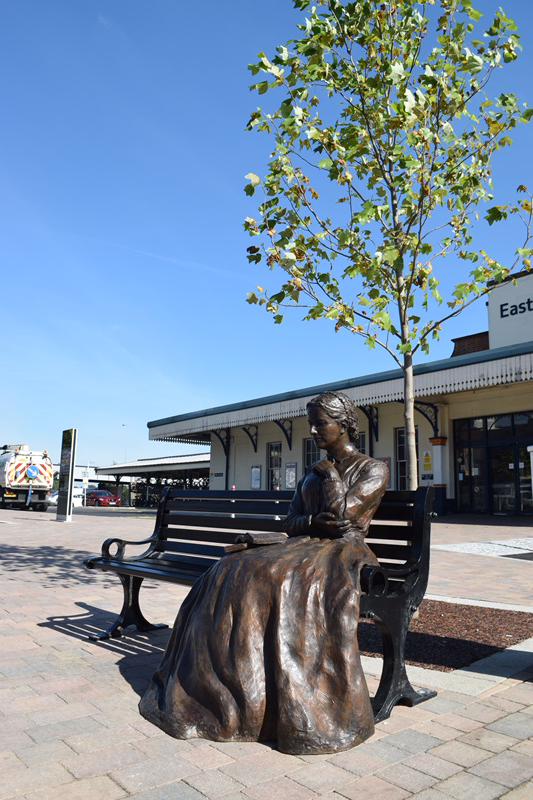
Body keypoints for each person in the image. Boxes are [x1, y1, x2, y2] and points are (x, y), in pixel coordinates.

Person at [139, 391, 389, 755]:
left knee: (279, 576)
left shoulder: (371, 469)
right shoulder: (311, 473)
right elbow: (292, 520)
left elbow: (345, 517)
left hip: (343, 553)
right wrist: (309, 520)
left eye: (321, 423)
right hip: (305, 544)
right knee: (232, 567)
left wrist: (329, 474)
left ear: (345, 425)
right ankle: (235, 686)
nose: (315, 431)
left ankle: (287, 698)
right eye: (313, 423)